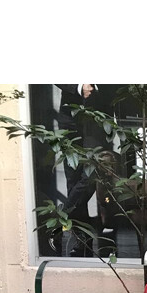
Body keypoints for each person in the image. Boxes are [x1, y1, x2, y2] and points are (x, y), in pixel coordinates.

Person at [56, 84, 112, 256]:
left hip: (98, 121)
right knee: (73, 181)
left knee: (90, 176)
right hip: (69, 122)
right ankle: (82, 240)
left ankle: (59, 220)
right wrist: (79, 86)